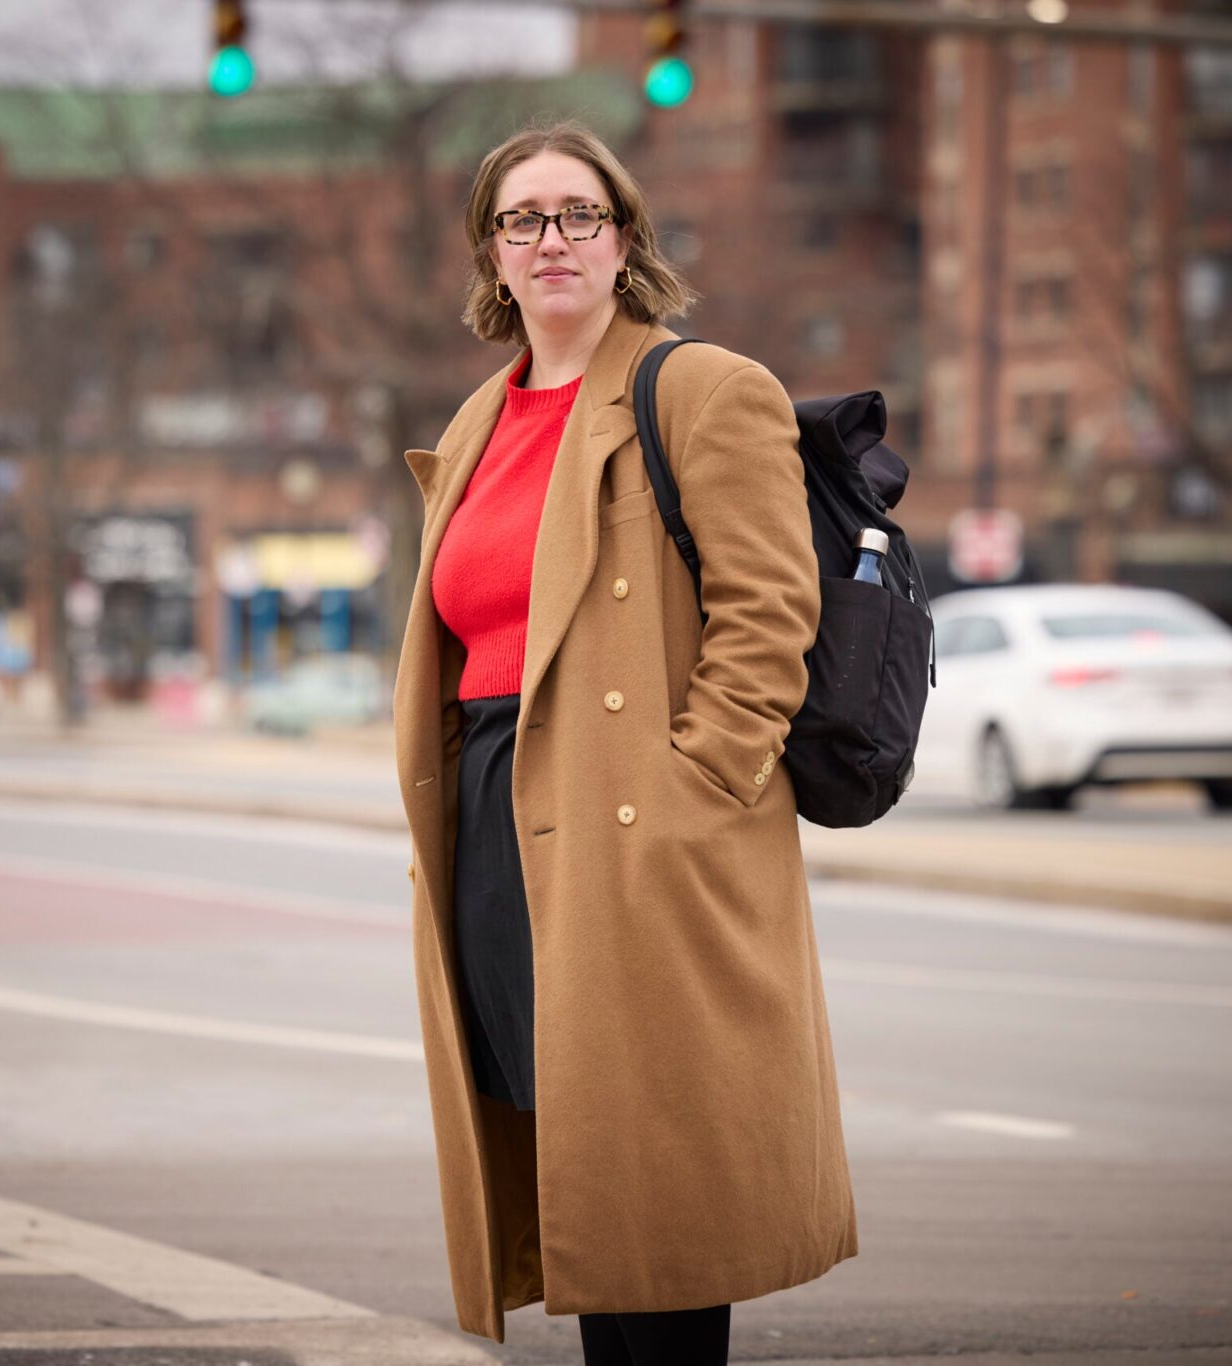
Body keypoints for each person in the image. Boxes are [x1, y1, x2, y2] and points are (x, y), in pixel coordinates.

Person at [392, 121, 858, 1363]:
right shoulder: (481, 416)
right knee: (572, 1145)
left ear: (624, 240)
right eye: (521, 219)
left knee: (651, 1172)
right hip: (498, 808)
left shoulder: (701, 388)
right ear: (492, 255)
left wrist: (696, 782)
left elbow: (769, 613)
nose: (550, 240)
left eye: (577, 215)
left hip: (637, 814)